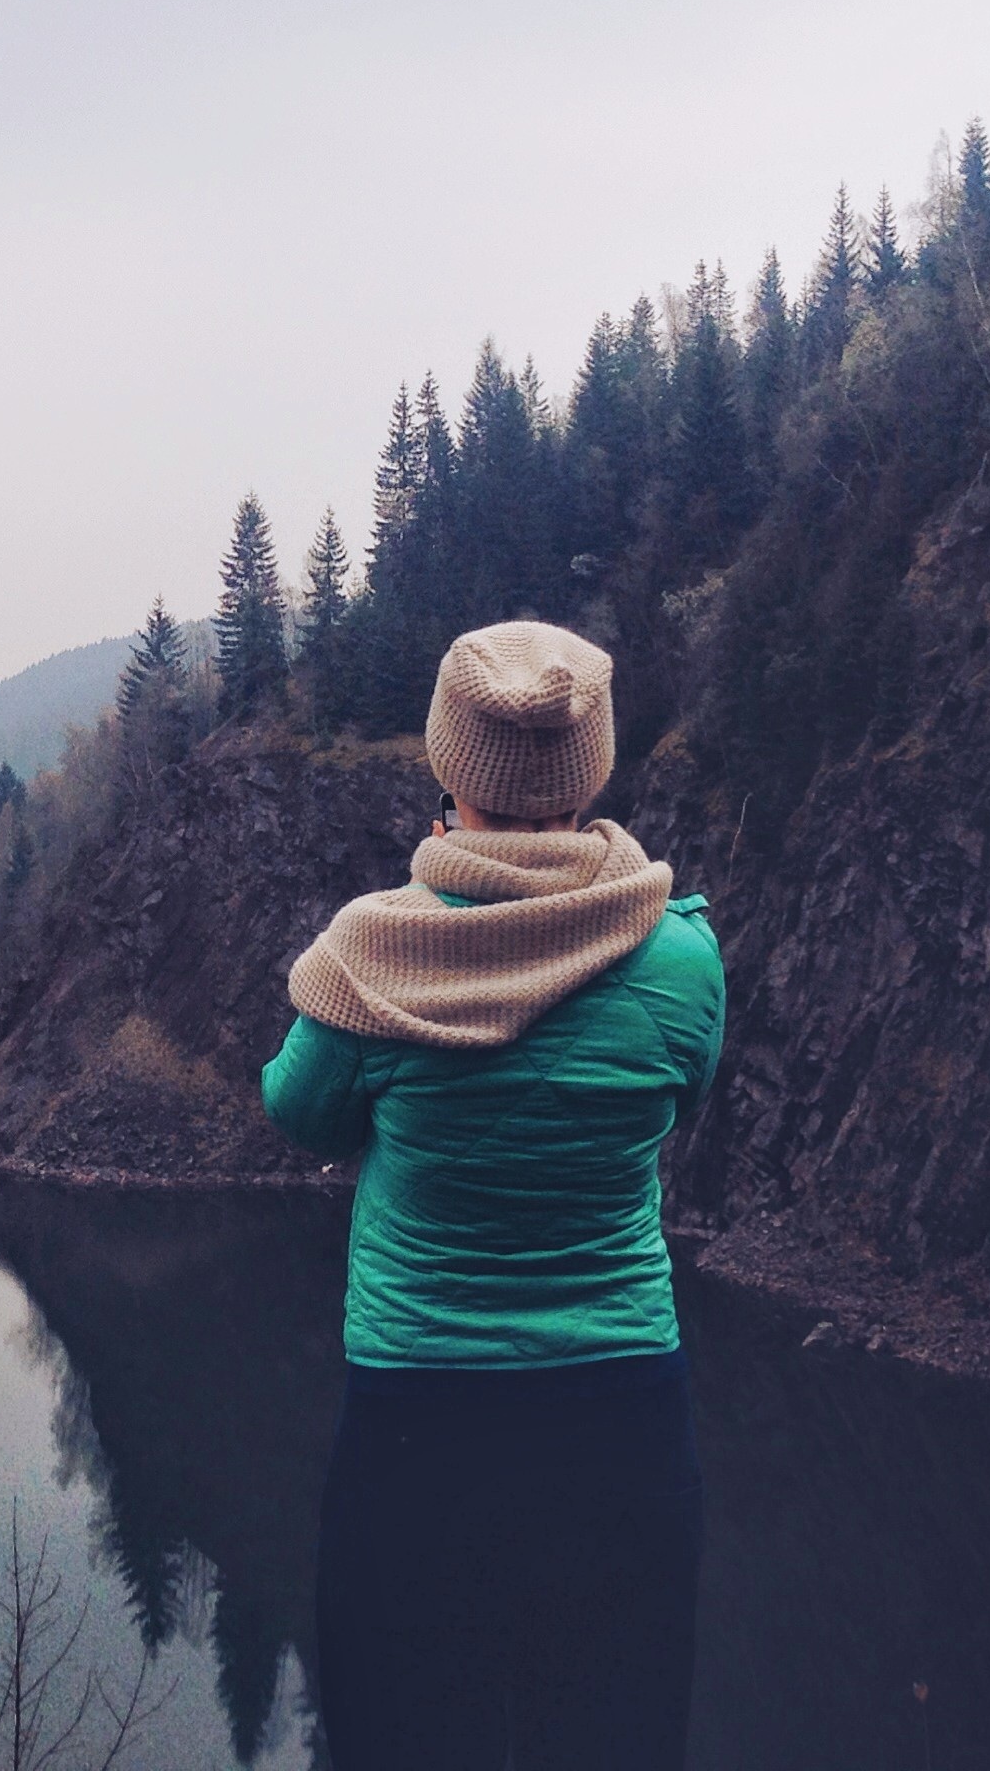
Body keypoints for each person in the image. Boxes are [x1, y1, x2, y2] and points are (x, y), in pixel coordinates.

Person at [261, 619, 723, 1771]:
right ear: (591, 769)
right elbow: (683, 1093)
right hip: (624, 1421)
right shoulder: (679, 955)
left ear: (448, 767)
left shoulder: (376, 956)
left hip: (420, 1424)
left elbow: (300, 1112)